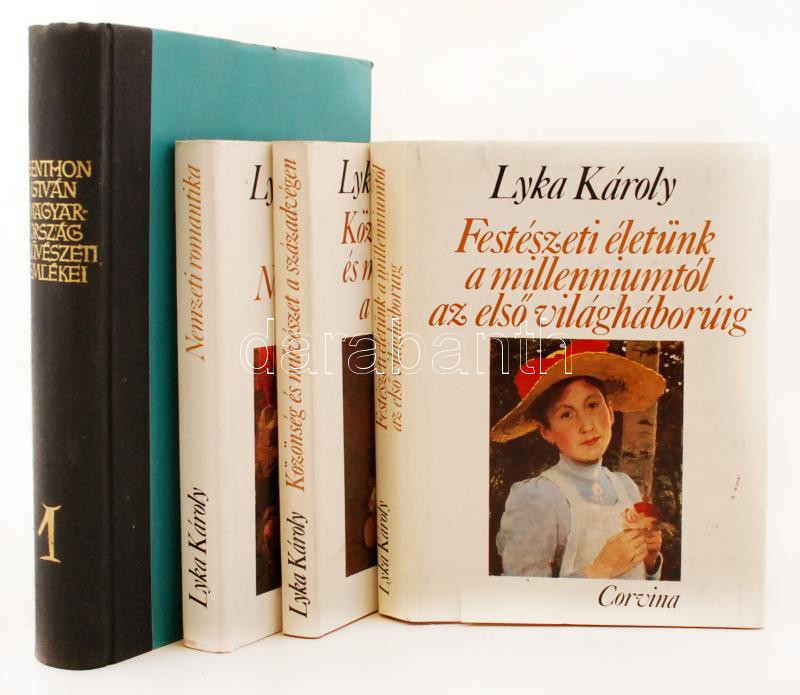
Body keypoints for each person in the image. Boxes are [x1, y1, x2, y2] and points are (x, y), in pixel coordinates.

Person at [491, 340, 666, 579]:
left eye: (592, 405)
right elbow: (524, 595)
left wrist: (650, 561)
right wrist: (601, 569)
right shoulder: (537, 497)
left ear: (610, 411)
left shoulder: (625, 486)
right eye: (566, 414)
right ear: (547, 431)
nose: (586, 426)